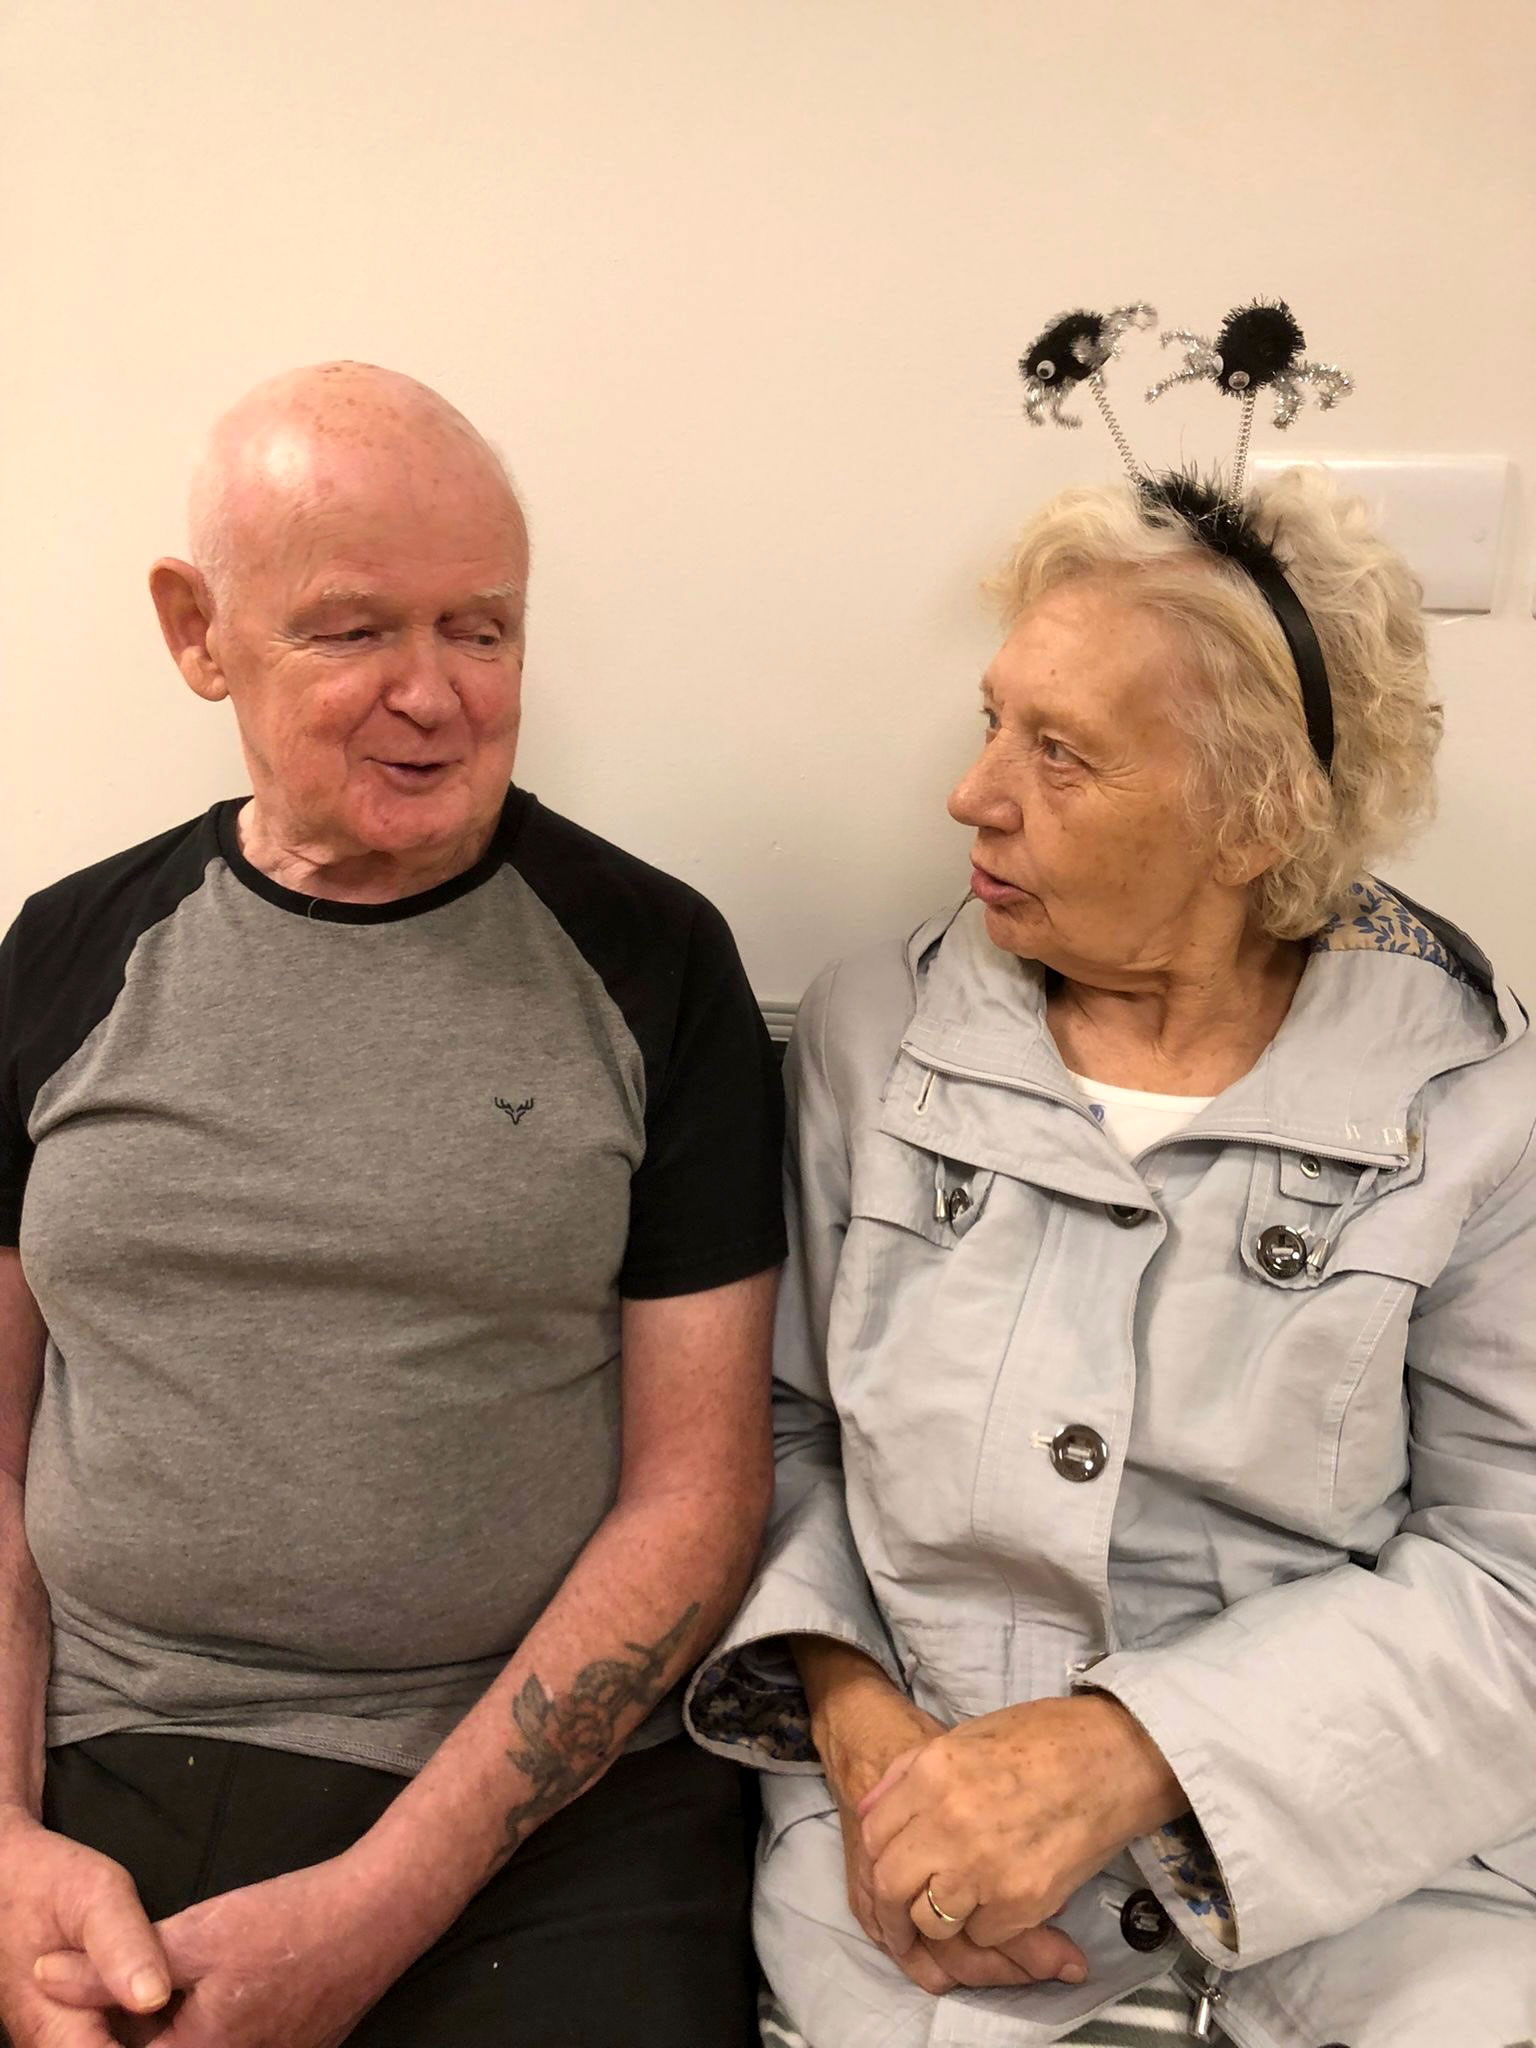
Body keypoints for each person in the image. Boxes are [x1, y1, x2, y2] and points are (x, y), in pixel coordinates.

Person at [688, 468, 1536, 2048]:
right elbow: (783, 1433)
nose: (973, 794)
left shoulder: (1482, 1113)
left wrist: (1128, 1751)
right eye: (993, 721)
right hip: (919, 1866)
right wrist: (857, 1723)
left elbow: (1515, 1572)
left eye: (1061, 753)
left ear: (1257, 816)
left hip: (1379, 1879)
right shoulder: (875, 1039)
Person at [0, 363, 785, 2048]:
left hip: (531, 1800)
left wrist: (374, 1910)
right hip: (90, 1752)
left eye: (480, 630)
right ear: (199, 633)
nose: (434, 696)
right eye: (354, 631)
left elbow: (699, 1500)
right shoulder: (63, 956)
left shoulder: (655, 964)